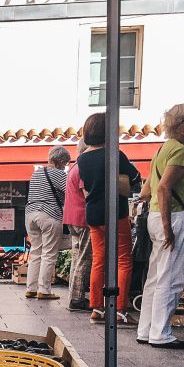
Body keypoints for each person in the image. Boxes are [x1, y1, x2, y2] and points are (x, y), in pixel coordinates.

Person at [137, 103, 184, 349]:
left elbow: (147, 190)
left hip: (156, 214)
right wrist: (168, 227)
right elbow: (164, 187)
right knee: (171, 277)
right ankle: (161, 334)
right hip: (171, 217)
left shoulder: (162, 149)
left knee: (155, 277)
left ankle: (146, 330)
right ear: (182, 125)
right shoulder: (179, 151)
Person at [77, 112, 137, 325]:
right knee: (123, 260)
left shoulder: (82, 159)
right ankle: (120, 309)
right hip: (115, 212)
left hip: (93, 213)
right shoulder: (115, 155)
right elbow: (135, 177)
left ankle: (96, 308)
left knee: (99, 260)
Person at [23, 147, 68, 300]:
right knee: (49, 254)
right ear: (61, 161)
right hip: (49, 214)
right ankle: (44, 290)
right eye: (65, 163)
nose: (65, 166)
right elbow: (71, 192)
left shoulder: (36, 173)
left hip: (30, 214)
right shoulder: (59, 174)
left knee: (35, 252)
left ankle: (31, 288)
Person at [64, 142, 92, 311]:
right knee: (84, 257)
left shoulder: (74, 166)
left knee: (77, 256)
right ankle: (77, 299)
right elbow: (87, 194)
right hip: (83, 217)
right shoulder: (84, 166)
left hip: (71, 217)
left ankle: (73, 295)